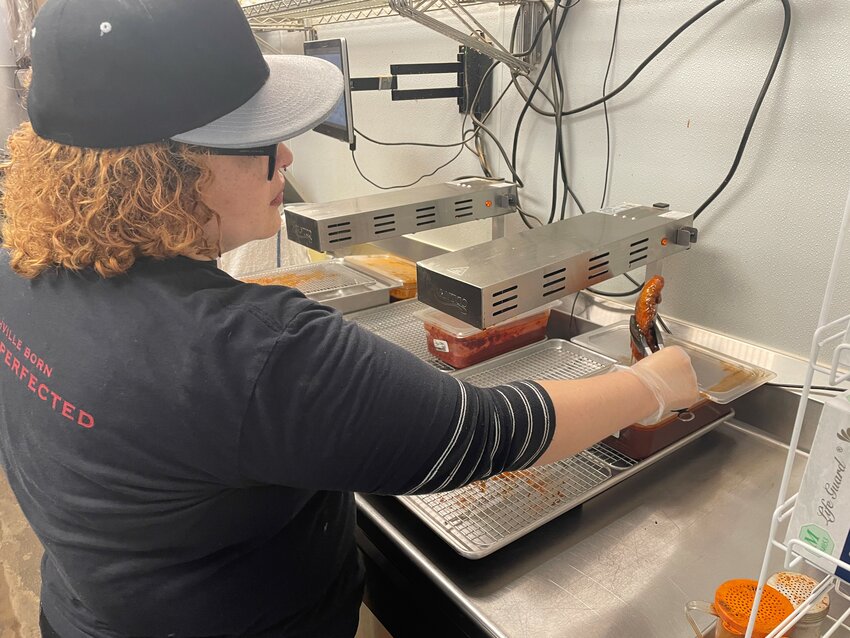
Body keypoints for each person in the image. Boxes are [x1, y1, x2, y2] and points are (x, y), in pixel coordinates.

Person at [0, 1, 699, 637]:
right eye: (259, 137)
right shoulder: (248, 350)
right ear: (164, 168)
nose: (288, 155)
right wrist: (656, 386)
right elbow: (488, 433)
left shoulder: (18, 259)